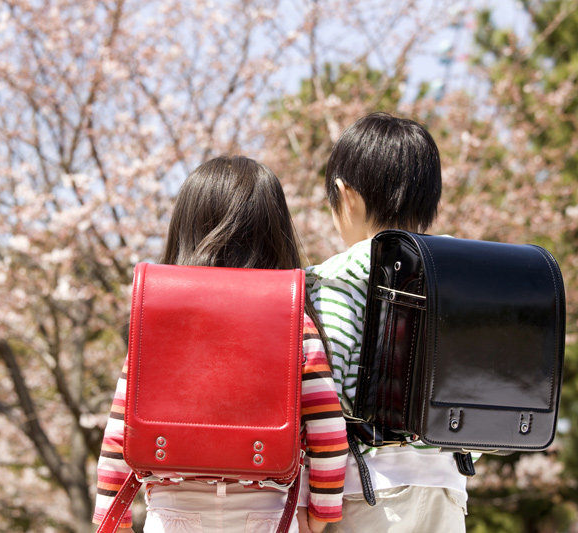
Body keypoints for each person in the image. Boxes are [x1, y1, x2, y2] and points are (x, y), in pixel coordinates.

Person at [93, 155, 348, 533]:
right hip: (267, 512)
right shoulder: (293, 321)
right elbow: (328, 430)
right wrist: (320, 514)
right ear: (275, 230)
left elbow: (121, 432)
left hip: (173, 513)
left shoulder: (159, 320)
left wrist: (112, 519)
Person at [307, 112, 469, 532]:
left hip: (366, 493)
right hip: (448, 492)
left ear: (345, 195)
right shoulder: (465, 271)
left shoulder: (335, 278)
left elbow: (327, 398)